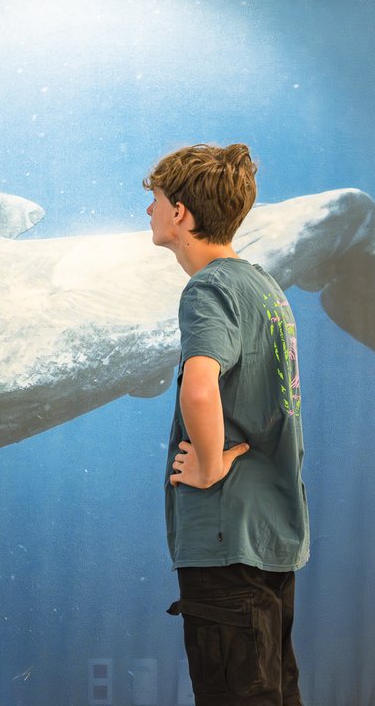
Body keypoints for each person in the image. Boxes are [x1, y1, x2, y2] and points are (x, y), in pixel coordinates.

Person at [144, 144, 309, 705]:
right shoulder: (265, 289)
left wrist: (210, 465)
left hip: (225, 538)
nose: (149, 211)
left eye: (157, 200)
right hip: (271, 533)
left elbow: (199, 385)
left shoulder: (208, 288)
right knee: (276, 692)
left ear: (181, 213)